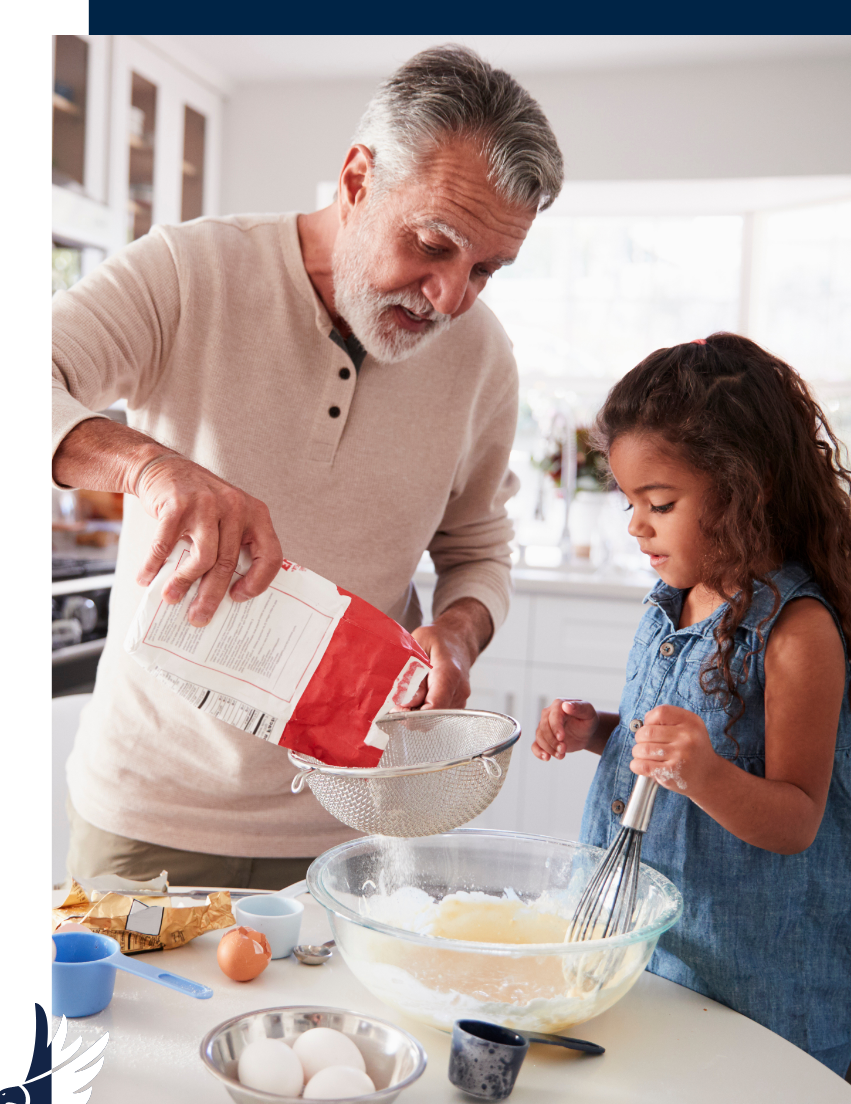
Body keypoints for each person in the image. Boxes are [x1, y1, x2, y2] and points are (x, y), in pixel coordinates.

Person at [51, 45, 564, 887]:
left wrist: (461, 634)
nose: (451, 297)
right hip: (148, 815)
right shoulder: (191, 271)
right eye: (433, 245)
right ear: (357, 179)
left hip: (354, 825)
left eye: (485, 270)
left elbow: (476, 543)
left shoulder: (481, 357)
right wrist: (149, 466)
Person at [532, 333, 851, 1076]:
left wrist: (701, 772)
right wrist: (602, 734)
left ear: (744, 487)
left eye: (660, 502)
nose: (635, 524)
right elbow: (668, 742)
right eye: (629, 502)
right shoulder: (672, 601)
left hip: (753, 976)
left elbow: (796, 816)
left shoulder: (795, 632)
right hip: (646, 945)